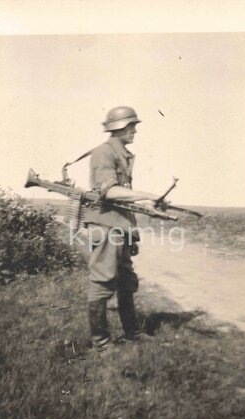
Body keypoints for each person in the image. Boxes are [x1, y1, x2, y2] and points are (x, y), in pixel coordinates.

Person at [84, 106, 159, 350]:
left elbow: (122, 198)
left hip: (120, 227)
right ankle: (102, 342)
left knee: (126, 281)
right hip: (106, 226)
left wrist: (133, 232)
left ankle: (132, 333)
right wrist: (146, 195)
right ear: (118, 128)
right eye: (131, 126)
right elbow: (109, 191)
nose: (135, 130)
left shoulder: (121, 153)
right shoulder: (104, 153)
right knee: (102, 282)